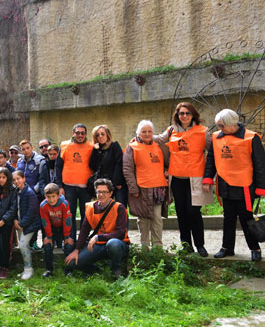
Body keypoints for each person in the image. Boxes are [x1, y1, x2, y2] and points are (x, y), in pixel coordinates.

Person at [203, 109, 265, 261]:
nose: (219, 128)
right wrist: (208, 178)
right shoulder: (216, 138)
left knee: (247, 218)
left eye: (221, 125)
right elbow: (211, 160)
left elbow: (260, 164)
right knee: (228, 218)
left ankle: (255, 248)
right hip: (225, 185)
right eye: (218, 125)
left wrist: (262, 187)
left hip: (245, 186)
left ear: (232, 124)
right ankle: (227, 248)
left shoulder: (251, 137)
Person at [156, 103, 212, 256]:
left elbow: (213, 150)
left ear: (193, 115)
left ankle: (200, 245)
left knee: (193, 212)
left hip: (196, 178)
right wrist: (141, 136)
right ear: (177, 115)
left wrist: (209, 176)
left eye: (187, 113)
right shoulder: (171, 130)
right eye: (181, 113)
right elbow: (158, 140)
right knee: (181, 212)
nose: (184, 116)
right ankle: (186, 245)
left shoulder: (203, 131)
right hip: (177, 179)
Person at [64, 179, 130, 279]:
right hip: (98, 245)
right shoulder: (91, 207)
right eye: (99, 191)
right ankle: (96, 270)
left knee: (113, 244)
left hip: (118, 244)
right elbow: (84, 231)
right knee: (72, 263)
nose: (101, 195)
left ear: (111, 193)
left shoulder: (119, 208)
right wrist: (76, 250)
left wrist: (98, 237)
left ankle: (116, 270)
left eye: (105, 192)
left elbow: (120, 233)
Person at [123, 120, 170, 248]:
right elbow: (127, 169)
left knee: (157, 219)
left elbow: (166, 163)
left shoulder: (159, 146)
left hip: (158, 188)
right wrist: (133, 188)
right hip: (141, 189)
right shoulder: (132, 147)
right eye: (144, 131)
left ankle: (157, 247)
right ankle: (144, 247)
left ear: (153, 133)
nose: (147, 134)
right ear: (138, 133)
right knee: (143, 219)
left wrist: (166, 170)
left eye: (149, 131)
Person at [55, 123, 94, 242]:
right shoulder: (64, 145)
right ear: (73, 133)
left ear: (86, 134)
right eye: (77, 133)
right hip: (68, 187)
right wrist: (60, 186)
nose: (80, 135)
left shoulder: (91, 146)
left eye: (82, 133)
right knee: (69, 214)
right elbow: (58, 166)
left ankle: (83, 239)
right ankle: (70, 238)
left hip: (85, 188)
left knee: (85, 215)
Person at [40, 183, 74, 277]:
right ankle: (49, 270)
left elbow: (67, 220)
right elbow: (45, 222)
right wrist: (49, 236)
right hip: (52, 227)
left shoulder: (64, 203)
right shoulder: (43, 206)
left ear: (59, 195)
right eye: (48, 197)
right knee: (47, 244)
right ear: (45, 196)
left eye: (53, 196)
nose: (51, 200)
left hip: (64, 227)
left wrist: (67, 236)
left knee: (69, 245)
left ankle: (68, 270)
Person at [12, 171, 41, 280]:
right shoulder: (16, 192)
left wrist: (22, 224)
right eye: (14, 180)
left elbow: (31, 211)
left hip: (29, 225)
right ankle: (26, 268)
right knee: (23, 247)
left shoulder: (30, 193)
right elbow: (14, 207)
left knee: (23, 245)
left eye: (18, 178)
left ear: (24, 179)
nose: (16, 181)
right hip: (19, 223)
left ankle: (29, 269)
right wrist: (15, 219)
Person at [88, 125, 126, 206]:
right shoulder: (97, 150)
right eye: (97, 135)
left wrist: (116, 183)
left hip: (117, 184)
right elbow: (92, 166)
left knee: (120, 208)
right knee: (106, 209)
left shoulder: (114, 146)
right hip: (103, 186)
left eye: (102, 134)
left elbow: (119, 164)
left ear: (107, 135)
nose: (100, 136)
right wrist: (95, 150)